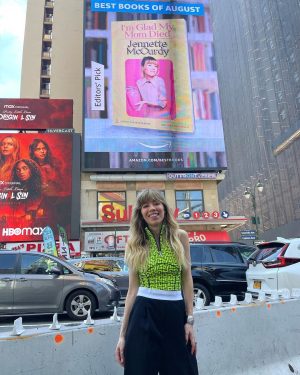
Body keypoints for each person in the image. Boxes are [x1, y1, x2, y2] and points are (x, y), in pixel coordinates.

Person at [115, 189, 198, 375]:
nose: (152, 209)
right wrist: (122, 336)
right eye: (145, 206)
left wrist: (190, 321)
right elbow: (132, 290)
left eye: (156, 203)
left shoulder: (181, 237)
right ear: (140, 213)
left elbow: (187, 279)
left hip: (175, 314)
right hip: (143, 313)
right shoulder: (134, 243)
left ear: (164, 208)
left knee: (184, 370)